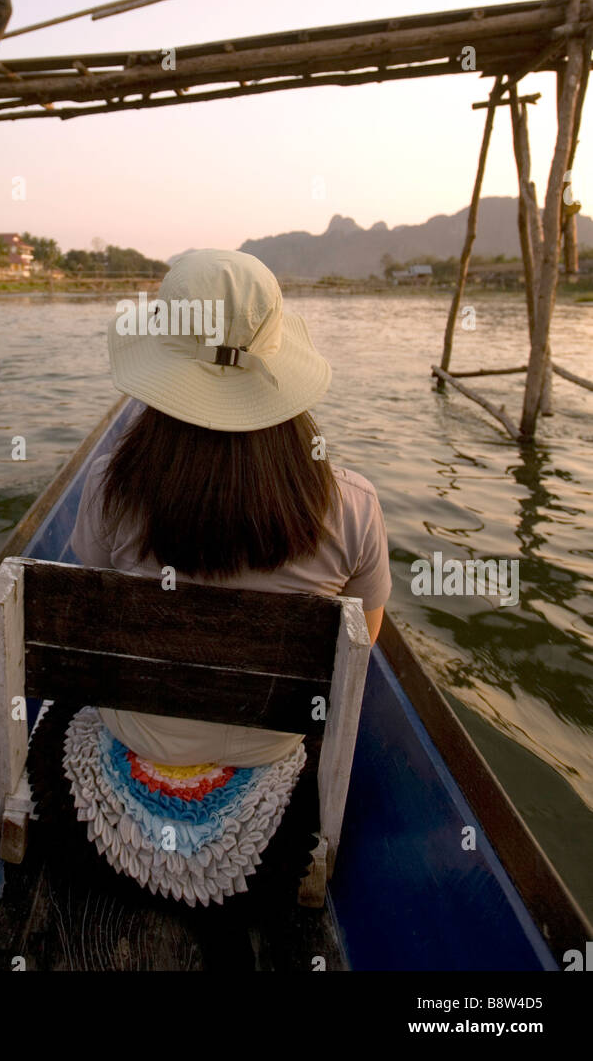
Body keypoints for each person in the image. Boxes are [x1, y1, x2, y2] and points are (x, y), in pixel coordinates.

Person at [29, 248, 392, 912]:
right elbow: (358, 650)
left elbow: (94, 608)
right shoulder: (353, 504)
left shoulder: (111, 488)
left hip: (132, 739)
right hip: (267, 757)